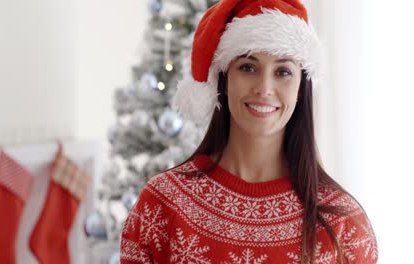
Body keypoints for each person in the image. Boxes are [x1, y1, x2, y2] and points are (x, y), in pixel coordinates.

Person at [120, 0, 378, 263]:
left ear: (302, 87)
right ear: (225, 78)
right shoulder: (163, 204)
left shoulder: (343, 224)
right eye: (248, 67)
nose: (264, 88)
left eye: (283, 71)